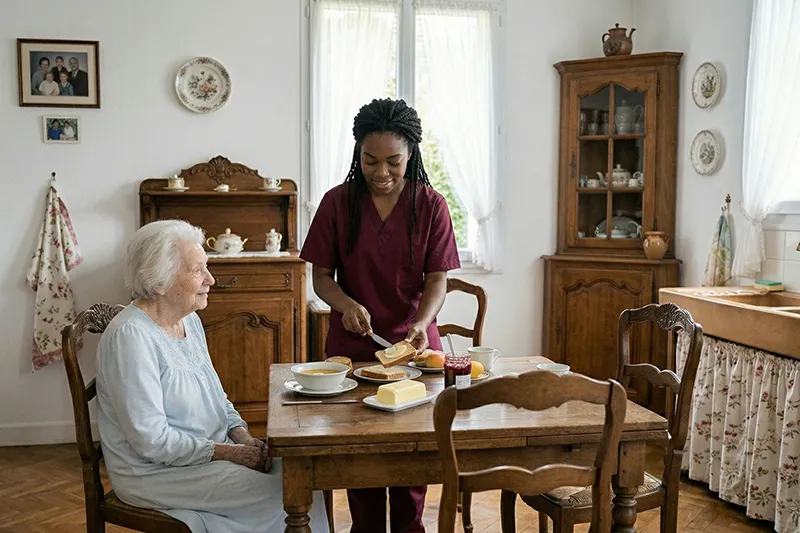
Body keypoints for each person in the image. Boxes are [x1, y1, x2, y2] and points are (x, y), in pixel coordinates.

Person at [95, 219, 329, 533]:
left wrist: (244, 438)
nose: (211, 279)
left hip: (208, 453)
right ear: (159, 281)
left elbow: (217, 398)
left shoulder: (188, 319)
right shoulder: (130, 337)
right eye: (197, 270)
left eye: (207, 267)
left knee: (306, 476)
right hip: (155, 473)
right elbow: (151, 442)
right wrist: (231, 453)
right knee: (289, 493)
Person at [300, 98, 461, 532]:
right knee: (361, 461)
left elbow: (438, 279)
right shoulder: (337, 203)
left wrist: (423, 323)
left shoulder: (431, 204)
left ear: (412, 155)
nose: (382, 172)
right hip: (353, 351)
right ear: (358, 155)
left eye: (394, 161)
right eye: (370, 160)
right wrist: (347, 304)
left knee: (412, 460)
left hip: (416, 347)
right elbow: (321, 278)